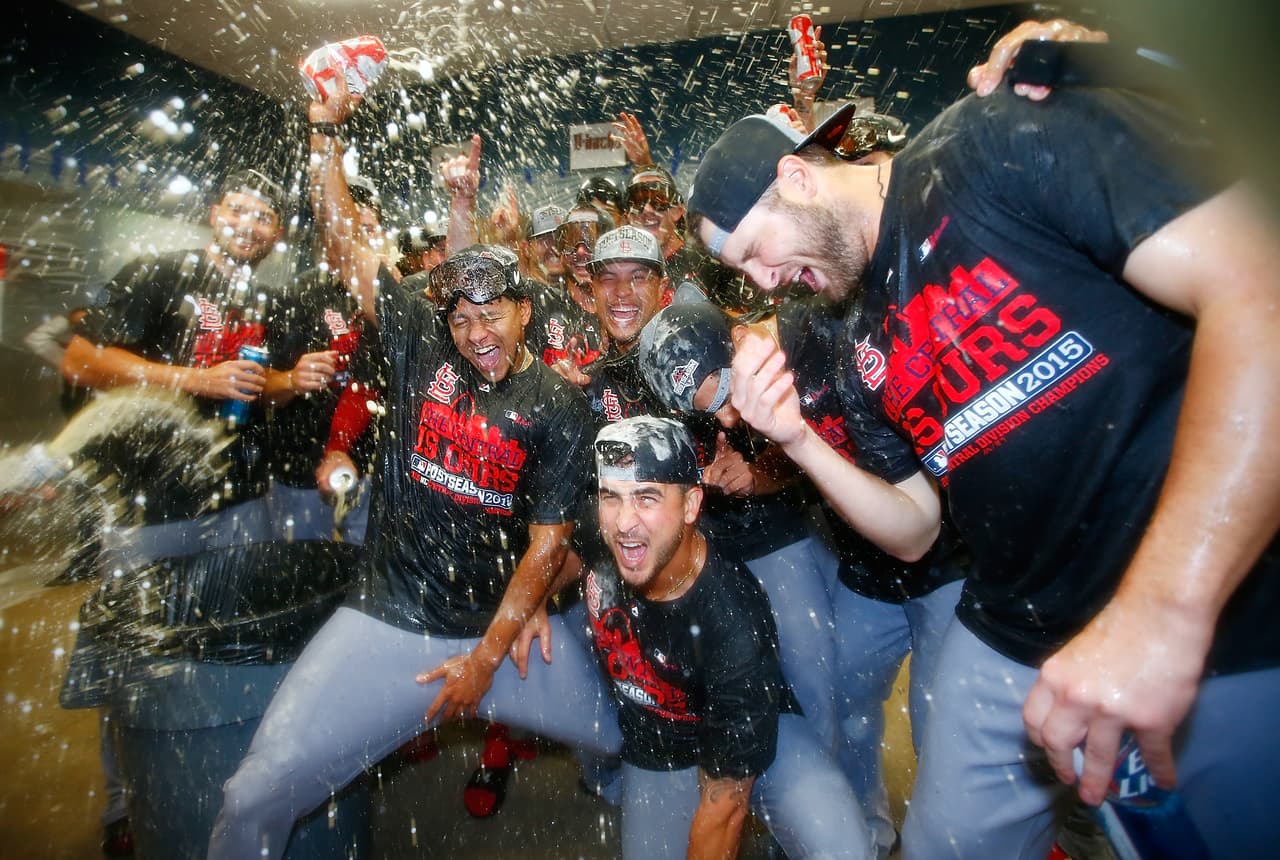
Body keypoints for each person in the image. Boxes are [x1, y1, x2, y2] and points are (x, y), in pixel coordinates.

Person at [686, 60, 1280, 858]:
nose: (763, 282)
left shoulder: (986, 147)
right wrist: (794, 437)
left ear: (796, 176)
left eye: (755, 251)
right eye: (740, 277)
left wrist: (1163, 613)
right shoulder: (856, 327)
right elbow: (912, 528)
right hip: (1015, 621)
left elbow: (1258, 291)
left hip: (1215, 608)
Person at [206, 81, 621, 860]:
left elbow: (546, 545)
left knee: (634, 735)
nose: (475, 332)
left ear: (524, 309)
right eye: (460, 317)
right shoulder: (420, 346)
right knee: (255, 790)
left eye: (491, 312)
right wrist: (325, 133)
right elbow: (343, 244)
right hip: (390, 616)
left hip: (500, 635)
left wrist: (485, 661)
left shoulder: (556, 404)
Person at [58, 168, 370, 859]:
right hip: (148, 508)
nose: (249, 224)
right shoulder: (157, 273)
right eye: (239, 208)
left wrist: (294, 380)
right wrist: (193, 379)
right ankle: (126, 801)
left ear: (277, 233)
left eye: (264, 216)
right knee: (138, 660)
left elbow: (256, 390)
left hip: (241, 502)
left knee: (224, 654)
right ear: (212, 212)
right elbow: (81, 361)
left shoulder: (262, 296)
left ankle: (212, 775)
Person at [637, 299, 966, 859]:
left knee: (947, 739)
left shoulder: (834, 329)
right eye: (706, 412)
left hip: (950, 566)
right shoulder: (753, 384)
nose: (724, 418)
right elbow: (799, 465)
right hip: (867, 574)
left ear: (740, 336)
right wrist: (752, 473)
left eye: (721, 395)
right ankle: (869, 834)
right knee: (849, 710)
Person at [580, 226, 843, 760]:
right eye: (608, 280)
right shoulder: (597, 385)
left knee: (813, 682)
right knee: (672, 697)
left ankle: (827, 813)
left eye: (638, 279)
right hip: (677, 564)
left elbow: (809, 446)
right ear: (590, 293)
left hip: (763, 534)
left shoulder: (709, 336)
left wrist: (757, 471)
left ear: (663, 288)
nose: (622, 293)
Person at [584, 415, 873, 859]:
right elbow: (557, 551)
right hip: (659, 741)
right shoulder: (603, 537)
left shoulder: (735, 619)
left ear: (690, 505)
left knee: (842, 847)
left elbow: (724, 810)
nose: (624, 523)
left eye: (646, 497)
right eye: (611, 497)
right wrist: (527, 611)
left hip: (749, 729)